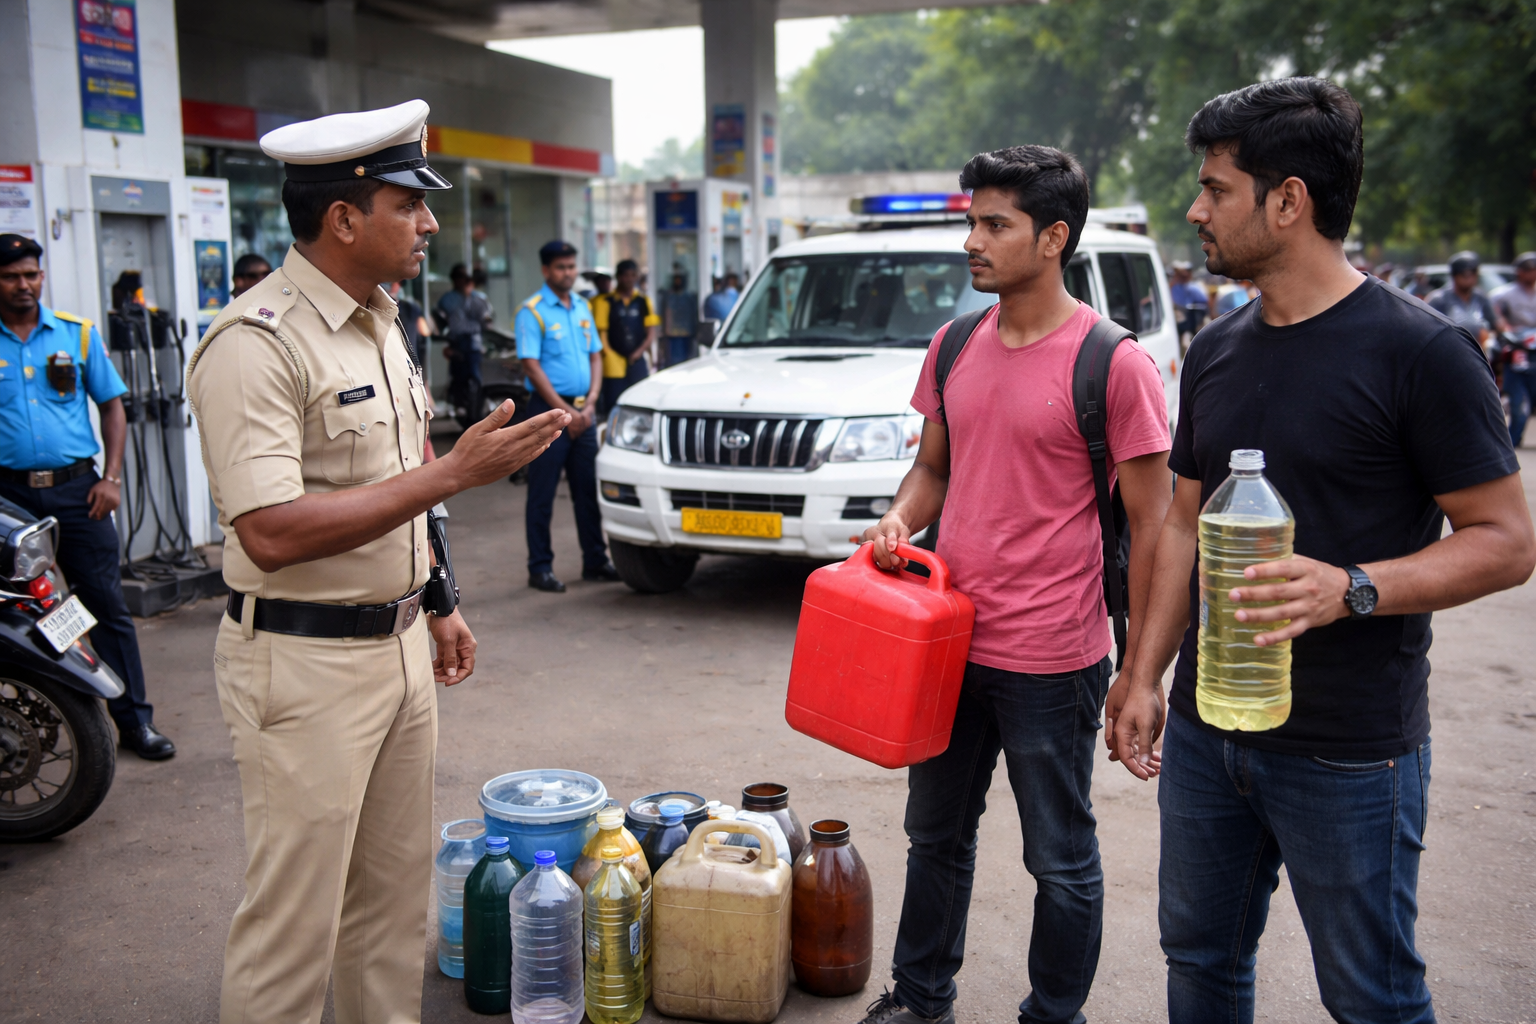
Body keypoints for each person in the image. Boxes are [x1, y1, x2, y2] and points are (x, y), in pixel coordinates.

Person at [1110, 77, 1535, 1024]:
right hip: (1209, 733)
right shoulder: (1216, 350)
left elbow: (1507, 543)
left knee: (1372, 995)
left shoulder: (1422, 353)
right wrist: (1143, 675)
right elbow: (1181, 524)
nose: (1196, 209)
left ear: (1288, 200)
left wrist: (1353, 587)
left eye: (1217, 188)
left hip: (1351, 751)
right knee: (1200, 965)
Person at [186, 99, 570, 1024]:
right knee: (294, 926)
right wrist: (454, 471)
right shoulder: (256, 343)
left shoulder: (383, 321)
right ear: (345, 217)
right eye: (411, 203)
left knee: (392, 912)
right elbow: (269, 531)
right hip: (302, 661)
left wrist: (438, 594)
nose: (431, 223)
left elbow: (399, 485)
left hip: (398, 648)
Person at [857, 145, 1174, 1024]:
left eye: (995, 224)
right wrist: (899, 520)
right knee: (935, 839)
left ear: (1053, 237)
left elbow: (1155, 528)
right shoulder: (954, 343)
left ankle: (1054, 1014)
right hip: (947, 643)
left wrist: (1140, 670)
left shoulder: (1113, 363)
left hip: (1053, 655)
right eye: (970, 221)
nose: (972, 240)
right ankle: (921, 1001)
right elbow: (933, 470)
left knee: (1060, 857)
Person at [0, 233, 174, 760]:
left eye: (31, 274)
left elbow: (113, 405)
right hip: (10, 500)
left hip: (82, 492)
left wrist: (112, 477)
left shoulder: (76, 336)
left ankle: (134, 724)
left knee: (106, 607)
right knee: (22, 614)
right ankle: (59, 715)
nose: (24, 284)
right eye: (11, 276)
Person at [516, 240, 619, 592]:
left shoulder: (582, 307)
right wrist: (565, 410)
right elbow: (531, 366)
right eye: (561, 267)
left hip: (584, 412)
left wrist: (589, 404)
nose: (568, 273)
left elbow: (595, 356)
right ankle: (540, 567)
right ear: (546, 270)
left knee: (587, 491)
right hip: (548, 414)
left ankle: (595, 560)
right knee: (542, 493)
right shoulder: (532, 312)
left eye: (572, 266)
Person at [592, 258, 658, 414]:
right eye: (625, 275)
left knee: (640, 401)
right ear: (618, 277)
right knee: (614, 404)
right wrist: (608, 354)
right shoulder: (605, 302)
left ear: (637, 277)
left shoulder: (643, 301)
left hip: (637, 358)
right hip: (613, 362)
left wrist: (640, 351)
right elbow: (601, 333)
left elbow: (651, 332)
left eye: (632, 275)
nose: (629, 279)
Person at [435, 262, 492, 415]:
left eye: (467, 277)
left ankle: (477, 411)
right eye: (461, 277)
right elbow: (439, 322)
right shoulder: (447, 299)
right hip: (457, 343)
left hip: (475, 343)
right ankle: (460, 408)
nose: (464, 280)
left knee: (477, 378)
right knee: (458, 379)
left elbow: (487, 322)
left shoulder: (479, 298)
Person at [1492, 251, 1536, 446]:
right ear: (1519, 272)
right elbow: (1496, 320)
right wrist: (1508, 331)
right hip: (1517, 353)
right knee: (1518, 404)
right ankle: (1511, 442)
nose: (1531, 274)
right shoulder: (1503, 295)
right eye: (1528, 270)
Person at [1427, 250, 1498, 348]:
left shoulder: (1480, 297)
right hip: (1450, 350)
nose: (1470, 278)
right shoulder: (1439, 299)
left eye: (1473, 273)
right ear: (1454, 275)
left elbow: (1494, 324)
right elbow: (1428, 331)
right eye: (1465, 274)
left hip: (1481, 351)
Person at [389, 278, 432, 370]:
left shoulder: (411, 309)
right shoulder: (373, 309)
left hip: (410, 367)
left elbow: (425, 332)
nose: (395, 286)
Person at [661, 270, 699, 366]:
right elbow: (666, 315)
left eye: (679, 279)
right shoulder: (669, 297)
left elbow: (693, 315)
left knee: (687, 362)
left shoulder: (689, 297)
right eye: (676, 279)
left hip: (687, 334)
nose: (678, 282)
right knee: (674, 364)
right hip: (672, 336)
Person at [1167, 260, 1208, 343]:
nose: (1184, 275)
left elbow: (1205, 303)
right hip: (1180, 322)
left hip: (1195, 320)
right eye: (1180, 274)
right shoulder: (1173, 288)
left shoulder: (1195, 287)